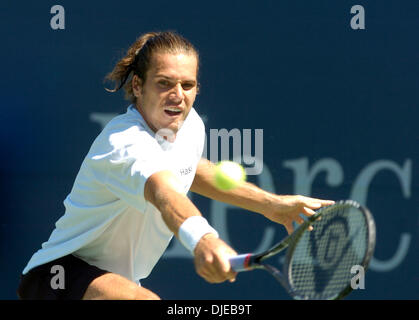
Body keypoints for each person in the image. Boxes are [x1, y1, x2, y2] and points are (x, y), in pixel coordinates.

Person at [17, 31, 334, 300]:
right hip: (57, 276)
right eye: (164, 83)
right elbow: (165, 194)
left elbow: (190, 168)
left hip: (118, 281)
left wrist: (272, 205)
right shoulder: (124, 143)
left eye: (187, 85)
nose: (177, 96)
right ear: (138, 86)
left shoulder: (190, 124)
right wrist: (205, 240)